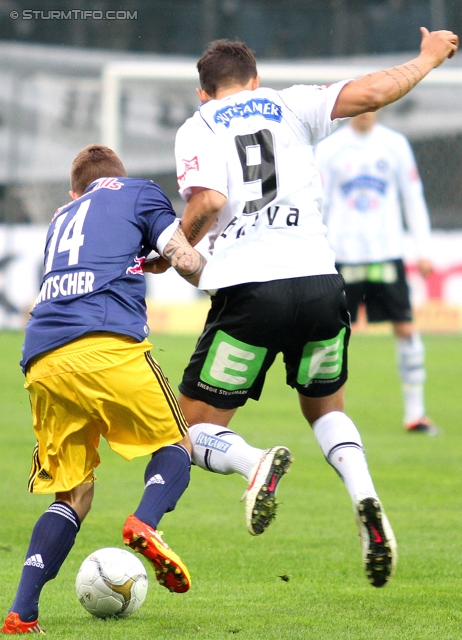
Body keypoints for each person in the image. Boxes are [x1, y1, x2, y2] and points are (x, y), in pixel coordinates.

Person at [153, 27, 457, 588]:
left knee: (186, 431)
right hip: (320, 281)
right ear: (255, 80)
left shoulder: (197, 126)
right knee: (325, 409)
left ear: (204, 92)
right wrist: (428, 57)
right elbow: (372, 92)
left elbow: (208, 200)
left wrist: (175, 248)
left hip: (250, 290)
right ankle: (366, 497)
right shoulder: (291, 103)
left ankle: (252, 462)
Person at [1, 144, 206, 635]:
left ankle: (22, 612)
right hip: (107, 342)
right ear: (119, 176)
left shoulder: (60, 217)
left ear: (76, 192)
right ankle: (146, 522)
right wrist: (203, 266)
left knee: (74, 492)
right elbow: (183, 258)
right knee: (177, 442)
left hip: (43, 359)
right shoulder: (138, 192)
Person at [314, 111, 437, 435]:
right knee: (333, 335)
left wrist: (424, 248)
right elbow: (317, 203)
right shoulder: (329, 148)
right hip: (343, 255)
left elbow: (413, 196)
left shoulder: (395, 145)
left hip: (386, 253)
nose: (367, 111)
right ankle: (330, 417)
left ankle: (416, 413)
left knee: (406, 328)